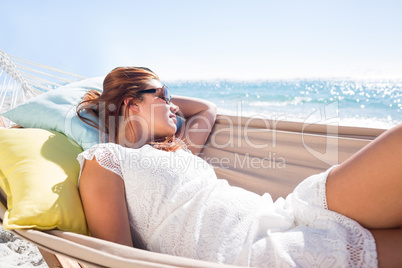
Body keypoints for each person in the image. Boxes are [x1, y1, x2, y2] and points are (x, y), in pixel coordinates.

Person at [76, 67, 401, 268]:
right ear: (130, 103)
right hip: (254, 253)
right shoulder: (105, 160)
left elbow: (207, 108)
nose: (175, 104)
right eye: (164, 94)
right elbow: (114, 259)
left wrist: (158, 98)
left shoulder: (179, 148)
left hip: (289, 213)